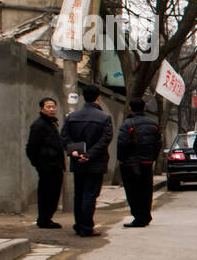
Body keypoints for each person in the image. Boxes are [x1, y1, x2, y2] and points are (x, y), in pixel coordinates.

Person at [60, 85, 114, 237]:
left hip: (78, 162)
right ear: (98, 97)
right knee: (90, 195)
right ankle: (86, 227)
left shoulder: (72, 117)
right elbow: (105, 140)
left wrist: (77, 153)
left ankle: (79, 225)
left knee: (79, 194)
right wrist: (89, 155)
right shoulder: (104, 118)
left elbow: (64, 137)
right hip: (95, 163)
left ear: (83, 97)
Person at [116, 98, 161, 228]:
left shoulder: (127, 124)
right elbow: (158, 144)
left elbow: (121, 144)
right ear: (144, 109)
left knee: (133, 191)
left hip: (131, 164)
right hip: (147, 163)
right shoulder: (153, 125)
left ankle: (138, 217)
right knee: (146, 190)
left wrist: (122, 159)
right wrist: (152, 158)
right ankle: (146, 215)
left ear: (131, 108)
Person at [25, 96, 64, 228]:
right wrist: (38, 163)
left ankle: (47, 218)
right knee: (47, 194)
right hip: (47, 166)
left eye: (53, 106)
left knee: (54, 193)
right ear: (42, 109)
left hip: (55, 165)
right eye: (48, 107)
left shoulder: (51, 123)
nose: (52, 109)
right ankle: (44, 219)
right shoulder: (39, 125)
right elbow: (31, 147)